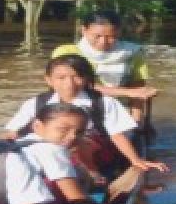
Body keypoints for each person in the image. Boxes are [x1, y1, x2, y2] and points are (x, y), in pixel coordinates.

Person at [4, 54, 168, 182]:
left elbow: (117, 134)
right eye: (61, 78)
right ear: (49, 80)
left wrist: (135, 160)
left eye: (76, 77)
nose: (69, 83)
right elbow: (13, 132)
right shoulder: (36, 102)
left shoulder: (102, 102)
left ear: (87, 79)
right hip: (51, 146)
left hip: (94, 150)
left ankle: (92, 173)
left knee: (77, 141)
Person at [18, 102, 132, 204]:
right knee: (79, 176)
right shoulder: (52, 150)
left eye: (79, 132)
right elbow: (75, 197)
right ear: (37, 126)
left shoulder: (21, 142)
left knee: (77, 172)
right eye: (63, 129)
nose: (73, 136)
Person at [51, 9, 159, 137]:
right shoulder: (67, 52)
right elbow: (79, 86)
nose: (103, 42)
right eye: (97, 36)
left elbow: (138, 90)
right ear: (84, 31)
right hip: (74, 107)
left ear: (119, 32)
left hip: (117, 111)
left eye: (111, 37)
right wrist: (127, 92)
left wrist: (136, 121)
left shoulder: (132, 53)